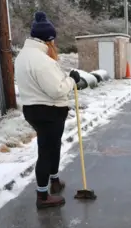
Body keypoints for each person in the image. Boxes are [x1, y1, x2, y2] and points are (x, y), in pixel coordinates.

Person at [14, 11, 81, 209]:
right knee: (46, 150)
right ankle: (42, 196)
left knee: (52, 147)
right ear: (48, 40)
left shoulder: (23, 56)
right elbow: (57, 90)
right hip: (48, 112)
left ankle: (55, 180)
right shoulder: (42, 61)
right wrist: (72, 80)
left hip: (33, 109)